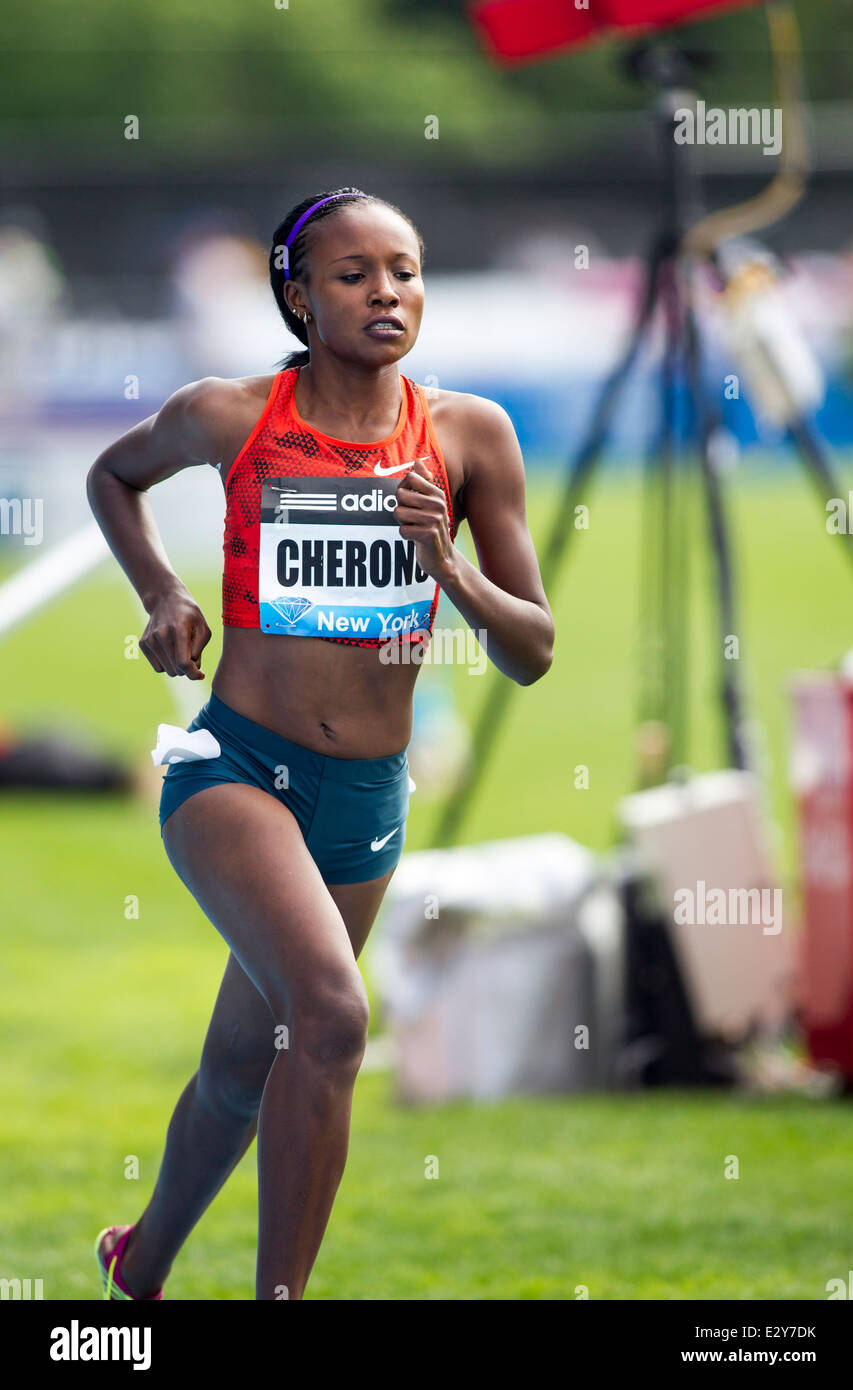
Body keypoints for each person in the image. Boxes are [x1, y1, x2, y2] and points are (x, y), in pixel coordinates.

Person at [86, 186, 554, 1300]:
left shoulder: (467, 435)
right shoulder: (228, 414)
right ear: (298, 295)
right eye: (353, 274)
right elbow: (115, 476)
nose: (385, 291)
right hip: (237, 772)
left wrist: (452, 573)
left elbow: (531, 650)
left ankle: (139, 1266)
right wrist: (161, 592)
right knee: (335, 1017)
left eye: (405, 268)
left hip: (364, 801)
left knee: (247, 1061)